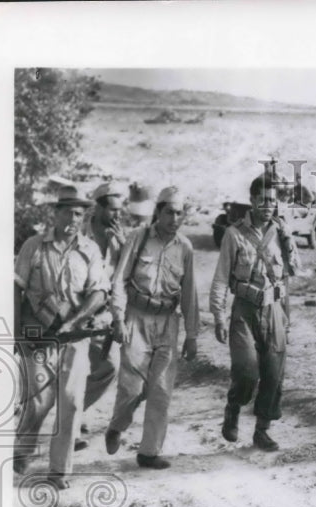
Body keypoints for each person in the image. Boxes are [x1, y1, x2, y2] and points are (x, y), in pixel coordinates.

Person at [13, 185, 109, 488]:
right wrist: (15, 332)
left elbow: (99, 292)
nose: (72, 218)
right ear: (55, 213)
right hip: (38, 335)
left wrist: (76, 321)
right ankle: (22, 448)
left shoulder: (90, 250)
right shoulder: (34, 246)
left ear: (84, 217)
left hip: (73, 337)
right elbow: (16, 289)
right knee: (39, 400)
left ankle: (59, 472)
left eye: (78, 213)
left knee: (71, 401)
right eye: (67, 211)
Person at [105, 186, 199, 469]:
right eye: (168, 211)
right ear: (158, 212)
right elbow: (119, 279)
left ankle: (148, 452)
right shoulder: (139, 238)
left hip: (168, 322)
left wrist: (192, 335)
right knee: (132, 387)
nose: (174, 217)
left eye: (179, 212)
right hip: (136, 317)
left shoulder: (185, 247)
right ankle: (117, 426)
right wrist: (118, 318)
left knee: (160, 390)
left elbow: (189, 294)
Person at [210, 174, 298, 451]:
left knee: (273, 374)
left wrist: (287, 238)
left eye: (272, 201)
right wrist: (217, 315)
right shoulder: (234, 234)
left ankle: (262, 430)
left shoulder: (281, 231)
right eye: (262, 200)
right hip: (244, 312)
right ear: (252, 201)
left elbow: (292, 271)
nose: (267, 206)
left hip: (274, 310)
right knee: (247, 372)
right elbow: (222, 277)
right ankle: (234, 407)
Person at [77, 182, 126, 448]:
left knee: (109, 367)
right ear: (98, 207)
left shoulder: (118, 239)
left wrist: (125, 246)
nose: (118, 216)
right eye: (113, 210)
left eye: (120, 210)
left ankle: (74, 411)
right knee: (71, 369)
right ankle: (69, 427)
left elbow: (124, 277)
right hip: (75, 312)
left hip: (104, 316)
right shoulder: (79, 233)